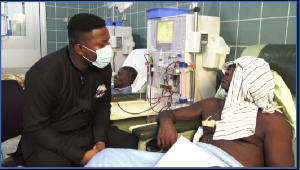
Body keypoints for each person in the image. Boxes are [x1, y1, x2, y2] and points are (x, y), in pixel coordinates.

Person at [85, 56, 294, 167]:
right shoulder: (212, 104)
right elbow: (169, 114)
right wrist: (166, 123)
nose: (226, 72)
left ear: (252, 80)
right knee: (106, 159)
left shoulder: (272, 121)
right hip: (190, 157)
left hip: (226, 165)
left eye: (234, 70)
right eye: (227, 69)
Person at [20, 13, 139, 167]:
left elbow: (103, 106)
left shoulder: (102, 67)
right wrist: (80, 156)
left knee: (131, 143)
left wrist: (100, 140)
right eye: (102, 45)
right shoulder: (44, 73)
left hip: (86, 132)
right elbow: (35, 127)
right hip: (50, 139)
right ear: (80, 49)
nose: (108, 48)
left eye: (108, 41)